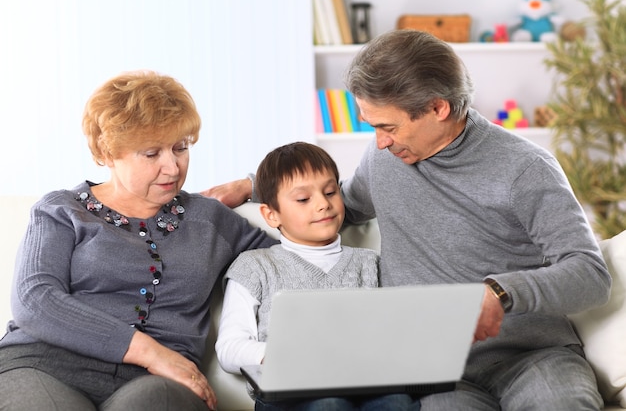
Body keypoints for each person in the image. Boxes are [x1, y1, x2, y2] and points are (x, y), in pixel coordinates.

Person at [203, 30, 612, 410]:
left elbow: (590, 274)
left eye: (388, 127)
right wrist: (253, 185)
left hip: (533, 354)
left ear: (438, 108)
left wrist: (499, 294)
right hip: (434, 371)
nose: (380, 141)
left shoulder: (525, 169)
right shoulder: (385, 158)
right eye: (373, 127)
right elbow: (338, 203)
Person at [0, 70, 278, 411]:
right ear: (108, 152)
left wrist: (254, 185)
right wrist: (151, 352)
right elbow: (35, 300)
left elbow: (294, 255)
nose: (173, 168)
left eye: (180, 148)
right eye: (151, 154)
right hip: (43, 365)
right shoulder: (61, 210)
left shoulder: (210, 218)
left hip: (157, 385)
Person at [215, 142, 416, 411]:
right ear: (271, 214)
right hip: (287, 394)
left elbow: (398, 332)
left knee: (398, 402)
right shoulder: (255, 266)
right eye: (303, 199)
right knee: (329, 405)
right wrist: (279, 355)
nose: (323, 204)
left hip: (364, 386)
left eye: (331, 192)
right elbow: (229, 348)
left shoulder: (369, 263)